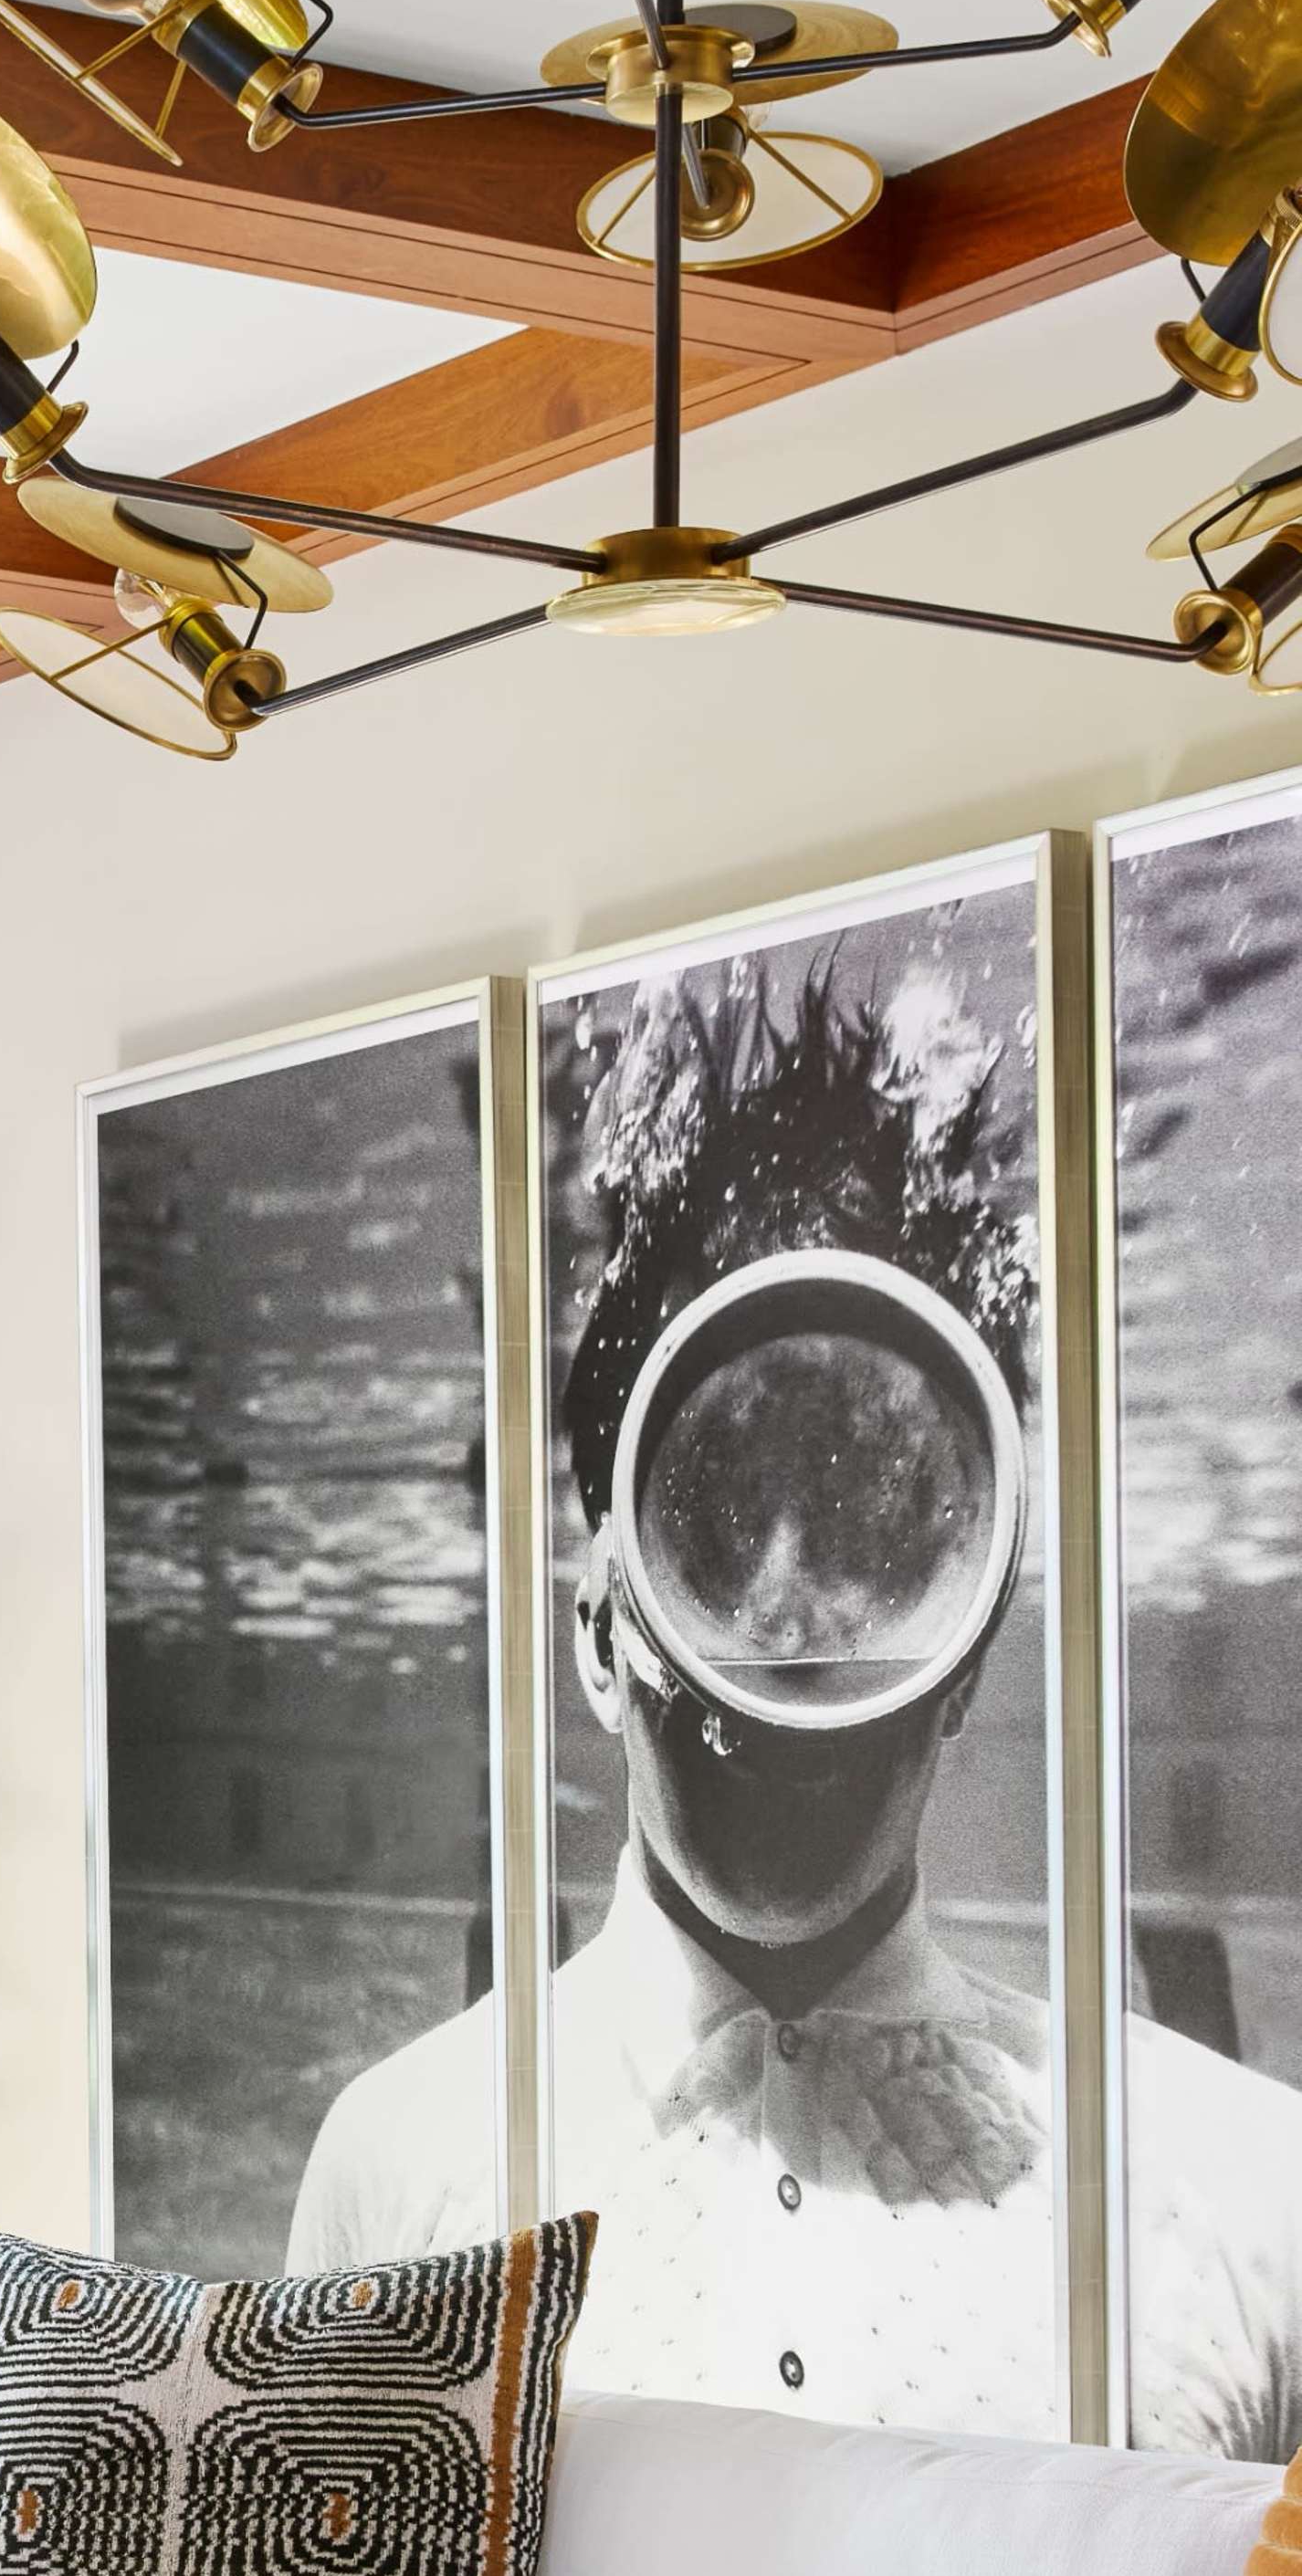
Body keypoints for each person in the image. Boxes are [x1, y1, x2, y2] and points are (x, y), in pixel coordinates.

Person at [289, 954, 1302, 2452]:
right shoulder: (398, 2161)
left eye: (878, 1518)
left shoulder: (1246, 2186)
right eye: (713, 1509)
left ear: (966, 1645)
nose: (789, 1618)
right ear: (595, 1621)